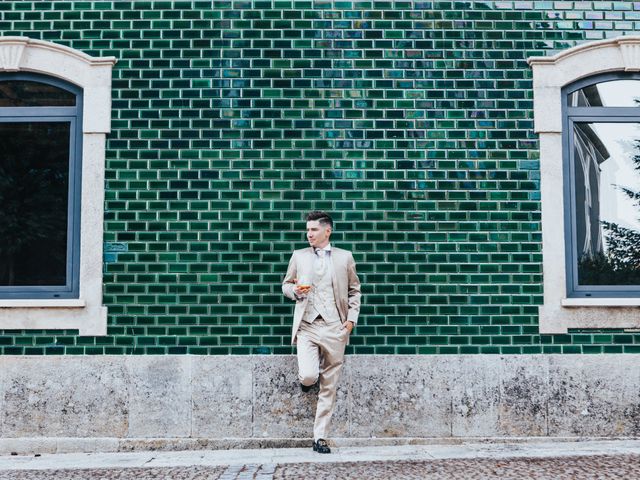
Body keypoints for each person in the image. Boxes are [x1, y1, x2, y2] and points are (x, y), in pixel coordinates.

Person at [282, 211, 361, 454]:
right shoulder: (299, 256)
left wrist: (349, 323)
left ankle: (320, 438)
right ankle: (308, 381)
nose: (309, 234)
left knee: (330, 385)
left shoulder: (344, 257)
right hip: (307, 326)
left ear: (328, 231)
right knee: (308, 375)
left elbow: (355, 291)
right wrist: (295, 291)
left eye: (314, 230)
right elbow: (286, 284)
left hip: (334, 327)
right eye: (307, 230)